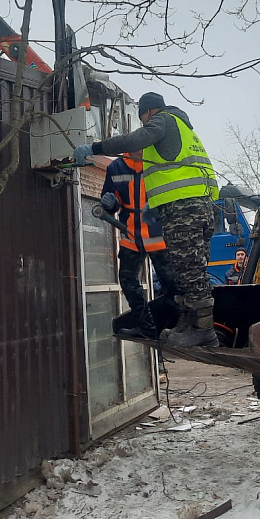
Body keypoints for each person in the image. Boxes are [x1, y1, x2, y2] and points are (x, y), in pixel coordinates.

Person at [74, 91, 220, 348]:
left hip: (169, 225)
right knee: (167, 278)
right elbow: (112, 196)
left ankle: (197, 330)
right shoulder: (179, 135)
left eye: (145, 120)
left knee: (183, 279)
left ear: (148, 112)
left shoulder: (162, 126)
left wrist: (95, 149)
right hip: (137, 233)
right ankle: (168, 327)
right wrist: (110, 202)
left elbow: (141, 137)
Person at [101, 151, 177, 339]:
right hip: (131, 235)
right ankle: (147, 327)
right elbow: (111, 203)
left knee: (172, 284)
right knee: (127, 281)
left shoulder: (157, 161)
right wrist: (110, 204)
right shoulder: (116, 167)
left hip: (158, 233)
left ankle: (177, 326)